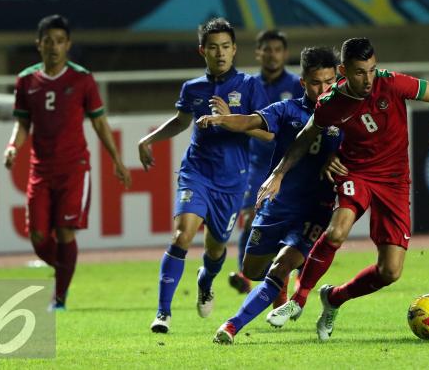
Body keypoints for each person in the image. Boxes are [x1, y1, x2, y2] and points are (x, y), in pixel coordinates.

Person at [260, 37, 429, 341]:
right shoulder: (331, 102)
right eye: (360, 72)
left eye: (372, 70)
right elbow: (304, 137)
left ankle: (335, 297)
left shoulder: (391, 84)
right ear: (343, 71)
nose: (368, 79)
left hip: (394, 181)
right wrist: (279, 173)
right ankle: (298, 300)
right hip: (356, 172)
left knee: (390, 272)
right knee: (337, 231)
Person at [194, 46, 341, 344]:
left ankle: (231, 326)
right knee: (253, 269)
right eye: (315, 82)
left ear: (337, 80)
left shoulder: (347, 115)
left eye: (328, 82)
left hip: (315, 209)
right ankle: (285, 280)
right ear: (303, 83)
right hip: (277, 205)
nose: (322, 89)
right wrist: (223, 120)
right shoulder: (287, 110)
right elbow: (250, 120)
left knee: (281, 265)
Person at [139, 17, 269, 334]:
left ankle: (205, 280)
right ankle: (162, 313)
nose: (220, 53)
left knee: (215, 248)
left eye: (226, 47)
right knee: (181, 235)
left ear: (235, 49)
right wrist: (149, 139)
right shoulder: (193, 88)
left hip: (232, 180)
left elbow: (269, 134)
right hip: (196, 172)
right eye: (214, 47)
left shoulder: (251, 86)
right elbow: (182, 121)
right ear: (203, 51)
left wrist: (230, 120)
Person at [4, 14, 132, 311]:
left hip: (74, 168)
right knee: (37, 236)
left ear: (68, 45)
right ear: (39, 45)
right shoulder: (26, 80)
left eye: (59, 41)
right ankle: (65, 266)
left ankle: (59, 298)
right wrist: (13, 146)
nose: (54, 46)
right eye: (48, 41)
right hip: (41, 169)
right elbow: (23, 124)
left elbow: (100, 123)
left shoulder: (82, 78)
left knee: (64, 232)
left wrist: (117, 160)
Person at [229, 30, 304, 299]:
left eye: (277, 49)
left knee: (296, 223)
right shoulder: (248, 86)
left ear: (284, 53)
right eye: (267, 49)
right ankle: (245, 274)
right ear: (258, 52)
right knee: (250, 218)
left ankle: (290, 278)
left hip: (292, 164)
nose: (272, 54)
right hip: (258, 164)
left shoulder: (298, 84)